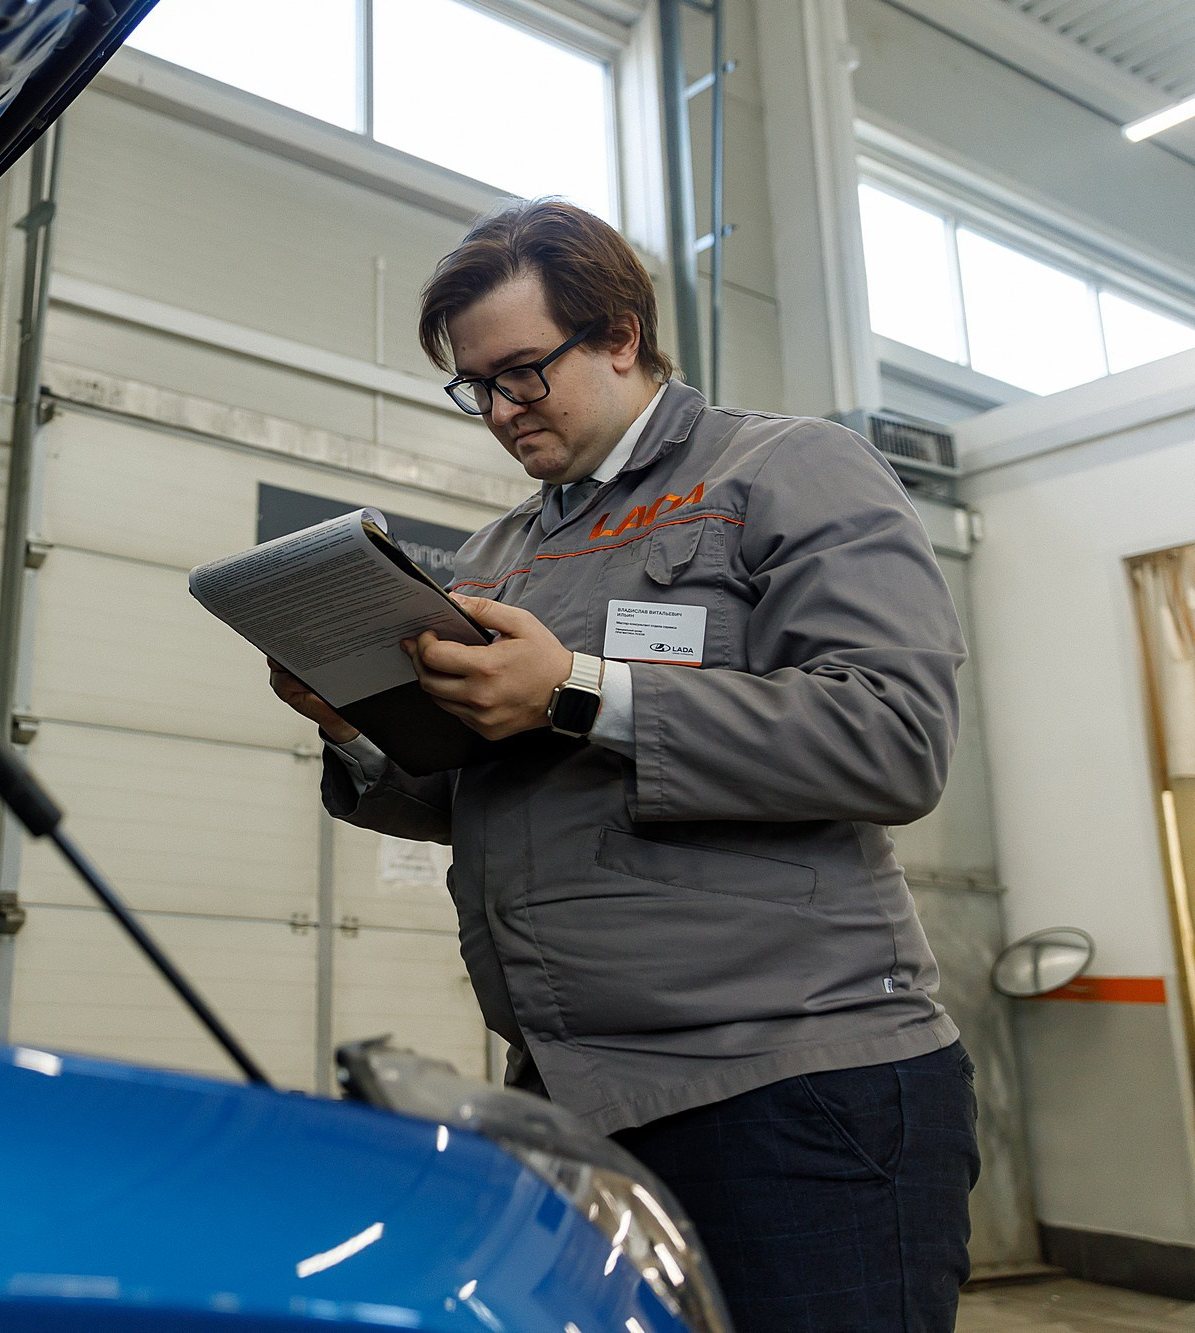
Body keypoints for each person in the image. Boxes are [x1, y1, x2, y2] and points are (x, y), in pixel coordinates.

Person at [268, 200, 978, 1331]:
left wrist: (578, 691)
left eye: (520, 373)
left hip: (787, 1090)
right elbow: (487, 791)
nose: (498, 411)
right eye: (474, 386)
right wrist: (355, 723)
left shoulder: (788, 470)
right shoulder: (505, 548)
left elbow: (892, 737)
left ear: (618, 334)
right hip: (567, 1096)